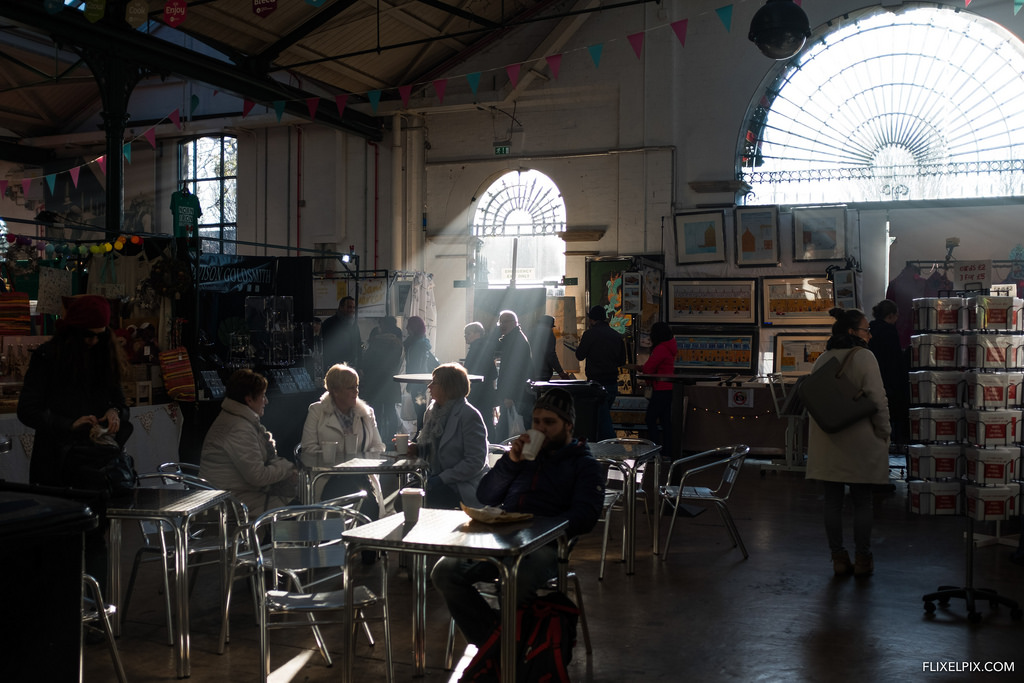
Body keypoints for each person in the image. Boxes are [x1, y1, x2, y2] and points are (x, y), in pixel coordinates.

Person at [430, 388, 604, 647]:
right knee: (444, 572)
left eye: (549, 422)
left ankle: (503, 651)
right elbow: (486, 494)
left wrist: (542, 528)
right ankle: (498, 648)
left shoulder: (584, 465)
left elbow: (585, 515)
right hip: (503, 538)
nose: (540, 429)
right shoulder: (523, 457)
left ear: (568, 425)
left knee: (516, 579)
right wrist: (511, 461)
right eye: (536, 422)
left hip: (546, 545)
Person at [18, 294, 132, 587]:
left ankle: (95, 618)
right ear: (71, 332)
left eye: (99, 335)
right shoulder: (48, 357)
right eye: (87, 336)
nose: (93, 342)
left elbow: (120, 402)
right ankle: (61, 617)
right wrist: (69, 424)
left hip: (95, 467)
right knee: (59, 541)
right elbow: (27, 410)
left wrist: (114, 412)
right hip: (56, 465)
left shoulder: (105, 355)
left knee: (95, 540)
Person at [806, 307, 891, 578]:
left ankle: (838, 558)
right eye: (866, 329)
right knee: (862, 501)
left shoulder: (823, 358)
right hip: (860, 438)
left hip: (828, 439)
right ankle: (863, 559)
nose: (870, 335)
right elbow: (878, 400)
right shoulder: (864, 357)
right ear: (853, 332)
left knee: (832, 502)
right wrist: (884, 432)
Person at [199, 369, 299, 518]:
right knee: (300, 509)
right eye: (263, 396)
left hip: (228, 495)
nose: (266, 401)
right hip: (231, 503)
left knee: (299, 501)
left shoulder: (237, 420)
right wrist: (287, 469)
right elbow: (257, 476)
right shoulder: (239, 428)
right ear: (249, 400)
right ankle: (273, 541)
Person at [300, 364, 386, 516]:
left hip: (362, 476)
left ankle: (363, 537)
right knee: (346, 502)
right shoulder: (317, 411)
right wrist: (336, 458)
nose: (356, 391)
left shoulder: (366, 413)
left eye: (357, 386)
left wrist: (362, 460)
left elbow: (378, 446)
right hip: (329, 478)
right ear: (335, 391)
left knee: (367, 507)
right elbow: (308, 450)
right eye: (350, 388)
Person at [408, 363, 489, 509]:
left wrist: (441, 479)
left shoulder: (469, 415)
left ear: (448, 387)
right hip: (434, 480)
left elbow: (476, 461)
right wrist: (416, 449)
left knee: (425, 502)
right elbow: (431, 448)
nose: (429, 386)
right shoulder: (431, 412)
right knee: (403, 500)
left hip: (463, 485)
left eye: (434, 382)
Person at [576, 305, 626, 440]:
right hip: (612, 384)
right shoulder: (616, 335)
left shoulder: (589, 334)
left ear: (592, 319)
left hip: (596, 385)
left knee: (602, 421)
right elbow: (622, 361)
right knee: (601, 418)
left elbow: (580, 355)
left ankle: (613, 450)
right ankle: (601, 450)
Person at [868, 299, 909, 448]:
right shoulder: (890, 332)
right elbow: (895, 359)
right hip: (891, 382)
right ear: (890, 315)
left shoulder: (870, 329)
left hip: (874, 377)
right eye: (897, 316)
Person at [361, 317, 404, 441]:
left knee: (376, 413)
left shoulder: (377, 342)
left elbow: (367, 362)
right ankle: (392, 438)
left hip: (376, 382)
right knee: (391, 411)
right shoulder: (398, 343)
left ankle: (377, 439)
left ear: (383, 326)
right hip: (391, 382)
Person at [494, 310, 533, 441]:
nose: (501, 325)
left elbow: (515, 371)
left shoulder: (515, 341)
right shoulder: (512, 339)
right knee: (512, 432)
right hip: (518, 395)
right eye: (500, 322)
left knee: (507, 433)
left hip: (515, 397)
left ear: (515, 323)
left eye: (505, 322)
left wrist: (510, 396)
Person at [642, 322, 677, 460]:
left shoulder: (661, 348)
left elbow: (648, 368)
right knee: (666, 422)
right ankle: (667, 451)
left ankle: (654, 450)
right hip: (669, 388)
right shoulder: (670, 347)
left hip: (660, 389)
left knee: (650, 419)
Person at [404, 315, 438, 434]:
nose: (407, 328)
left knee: (420, 409)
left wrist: (412, 382)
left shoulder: (417, 345)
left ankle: (420, 433)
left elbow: (417, 365)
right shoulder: (418, 343)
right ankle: (421, 432)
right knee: (420, 408)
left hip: (418, 382)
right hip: (418, 382)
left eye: (409, 326)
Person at [463, 321, 498, 437]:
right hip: (486, 391)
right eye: (465, 334)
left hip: (478, 392)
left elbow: (470, 372)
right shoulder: (484, 347)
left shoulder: (476, 348)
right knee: (487, 421)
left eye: (468, 333)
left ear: (478, 333)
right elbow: (493, 373)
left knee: (481, 421)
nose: (466, 337)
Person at [321, 295, 362, 369]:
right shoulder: (329, 323)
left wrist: (360, 367)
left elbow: (358, 347)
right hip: (334, 367)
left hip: (351, 366)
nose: (352, 310)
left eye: (353, 307)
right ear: (341, 307)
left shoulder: (354, 326)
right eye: (349, 307)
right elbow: (325, 348)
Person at [531, 315, 571, 381]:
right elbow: (550, 354)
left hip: (531, 370)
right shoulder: (548, 333)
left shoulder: (531, 332)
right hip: (543, 371)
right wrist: (560, 372)